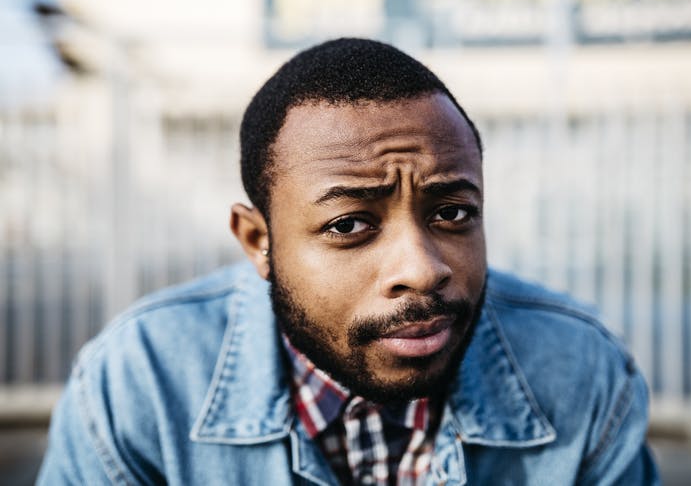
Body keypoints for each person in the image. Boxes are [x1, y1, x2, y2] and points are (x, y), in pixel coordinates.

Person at [37, 38, 659, 485]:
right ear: (259, 242)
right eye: (349, 225)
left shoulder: (582, 375)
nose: (421, 269)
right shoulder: (140, 385)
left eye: (453, 213)